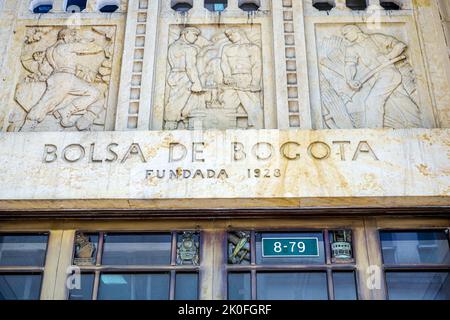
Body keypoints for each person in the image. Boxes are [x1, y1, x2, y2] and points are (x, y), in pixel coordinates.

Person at [342, 25, 418, 128]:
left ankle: (372, 131)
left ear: (354, 30)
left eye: (346, 34)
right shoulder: (352, 49)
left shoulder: (376, 38)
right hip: (377, 77)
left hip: (389, 73)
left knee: (372, 101)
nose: (345, 37)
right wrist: (350, 80)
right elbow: (350, 65)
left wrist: (388, 57)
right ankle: (418, 122)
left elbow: (400, 45)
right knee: (404, 102)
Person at [220, 28, 263, 128]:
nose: (230, 37)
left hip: (247, 79)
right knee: (225, 104)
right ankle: (224, 128)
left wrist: (255, 83)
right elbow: (224, 63)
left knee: (253, 106)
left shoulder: (253, 48)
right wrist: (227, 76)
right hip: (232, 81)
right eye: (228, 36)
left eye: (232, 34)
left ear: (240, 33)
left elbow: (257, 65)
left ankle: (256, 128)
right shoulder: (226, 48)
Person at [164, 27, 203, 130]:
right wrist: (196, 82)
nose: (195, 38)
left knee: (175, 99)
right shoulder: (189, 49)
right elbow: (190, 67)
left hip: (174, 75)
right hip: (184, 77)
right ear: (185, 33)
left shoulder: (172, 46)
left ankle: (174, 122)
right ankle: (171, 125)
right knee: (180, 101)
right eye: (194, 35)